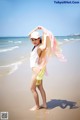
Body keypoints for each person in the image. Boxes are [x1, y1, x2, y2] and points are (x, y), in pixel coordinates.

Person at [28, 26, 66, 111]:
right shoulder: (35, 46)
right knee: (40, 87)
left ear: (39, 39)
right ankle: (44, 104)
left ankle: (37, 106)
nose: (34, 41)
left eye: (35, 39)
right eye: (32, 39)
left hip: (37, 70)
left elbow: (44, 43)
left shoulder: (40, 47)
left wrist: (43, 31)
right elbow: (29, 35)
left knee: (32, 88)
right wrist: (36, 28)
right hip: (38, 69)